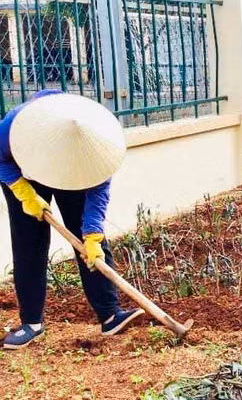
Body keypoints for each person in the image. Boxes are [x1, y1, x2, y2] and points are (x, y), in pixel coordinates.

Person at [1, 91, 143, 350]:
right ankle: (31, 323)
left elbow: (97, 195)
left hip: (74, 170)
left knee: (90, 241)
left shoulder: (97, 146)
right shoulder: (17, 127)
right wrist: (24, 193)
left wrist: (92, 235)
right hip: (26, 170)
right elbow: (1, 159)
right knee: (29, 243)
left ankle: (110, 315)